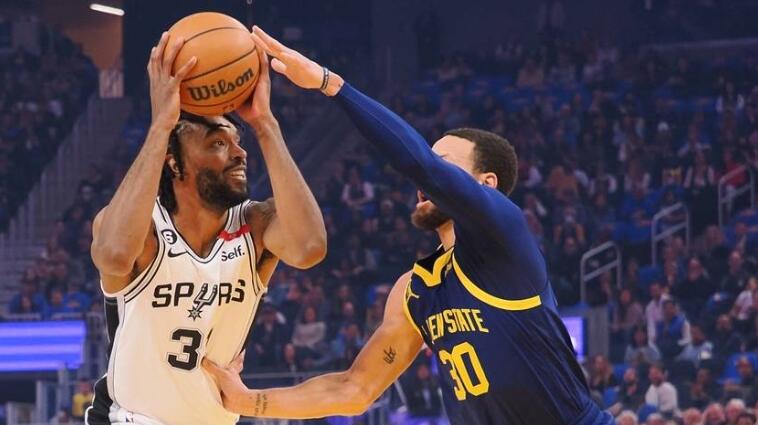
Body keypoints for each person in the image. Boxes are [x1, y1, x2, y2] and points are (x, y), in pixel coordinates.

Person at [202, 26, 613, 425]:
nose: (424, 182)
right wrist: (248, 400)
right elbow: (355, 389)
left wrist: (330, 84)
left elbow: (419, 163)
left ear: (486, 184)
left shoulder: (505, 236)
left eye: (444, 165)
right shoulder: (416, 289)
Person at [85, 31, 326, 425]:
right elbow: (112, 255)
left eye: (238, 140)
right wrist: (161, 125)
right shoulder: (143, 228)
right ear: (174, 162)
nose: (240, 152)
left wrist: (265, 124)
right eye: (217, 143)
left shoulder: (255, 225)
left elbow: (310, 247)